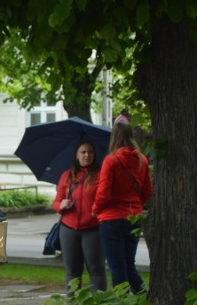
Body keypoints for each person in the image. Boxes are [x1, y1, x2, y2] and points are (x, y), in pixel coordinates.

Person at [93, 121, 152, 293]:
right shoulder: (142, 160)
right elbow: (147, 193)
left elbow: (104, 192)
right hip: (134, 217)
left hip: (112, 219)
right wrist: (134, 204)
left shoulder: (111, 161)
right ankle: (143, 299)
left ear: (114, 137)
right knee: (129, 264)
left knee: (117, 267)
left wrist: (96, 209)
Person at [52, 141, 107, 293]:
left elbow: (106, 198)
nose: (87, 155)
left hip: (93, 228)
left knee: (96, 269)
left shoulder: (101, 174)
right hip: (68, 228)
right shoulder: (67, 175)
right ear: (76, 155)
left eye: (90, 152)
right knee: (72, 271)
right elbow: (56, 202)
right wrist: (60, 205)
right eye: (83, 152)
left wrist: (98, 209)